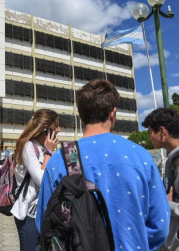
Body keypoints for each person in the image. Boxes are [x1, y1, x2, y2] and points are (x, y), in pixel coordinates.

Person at [36, 80, 170, 250]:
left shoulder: (60, 159)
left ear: (81, 116)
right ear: (113, 113)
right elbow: (160, 226)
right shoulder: (141, 156)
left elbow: (44, 222)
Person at [11, 109, 60, 251]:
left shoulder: (42, 147)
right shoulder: (28, 146)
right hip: (29, 215)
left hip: (44, 211)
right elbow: (41, 179)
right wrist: (48, 152)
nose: (59, 130)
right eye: (56, 126)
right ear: (46, 129)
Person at [142, 108, 179, 251]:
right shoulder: (172, 159)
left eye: (150, 132)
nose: (149, 138)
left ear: (162, 131)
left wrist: (164, 203)